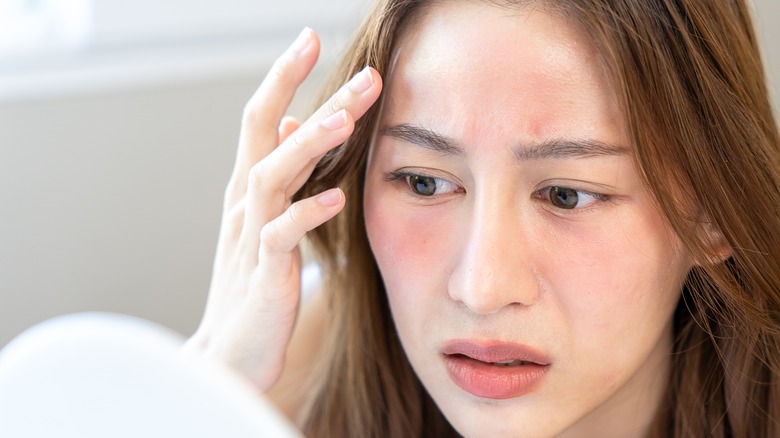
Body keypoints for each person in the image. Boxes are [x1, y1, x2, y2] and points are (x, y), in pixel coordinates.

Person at [184, 0, 780, 436]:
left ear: (712, 215)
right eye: (425, 182)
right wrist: (210, 388)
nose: (482, 288)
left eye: (567, 195)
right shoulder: (286, 375)